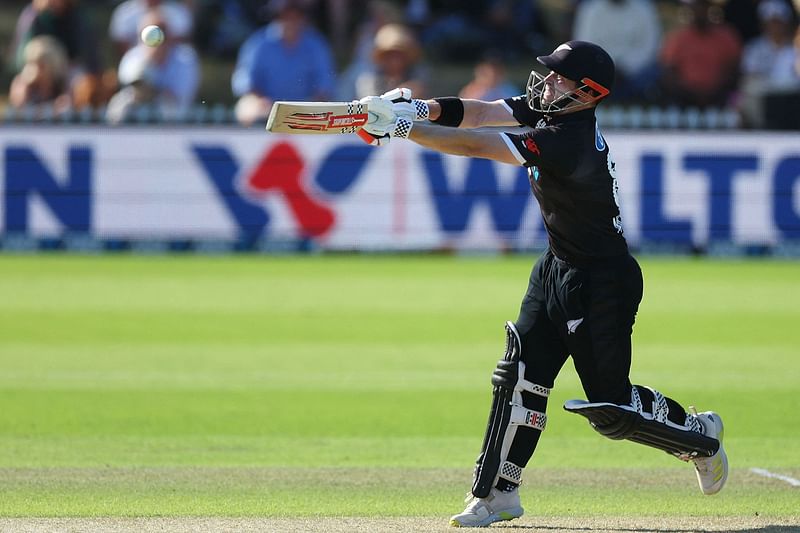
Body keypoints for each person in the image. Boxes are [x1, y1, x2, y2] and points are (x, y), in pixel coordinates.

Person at [357, 41, 729, 527]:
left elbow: (479, 144)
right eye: (549, 74)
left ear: (586, 94)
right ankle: (496, 495)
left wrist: (405, 131)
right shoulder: (552, 108)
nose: (546, 83)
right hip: (556, 266)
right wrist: (414, 108)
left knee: (611, 410)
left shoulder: (568, 140)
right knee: (518, 376)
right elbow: (482, 113)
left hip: (603, 283)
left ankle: (701, 437)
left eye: (559, 78)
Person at [231, 0, 336, 126]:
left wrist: (307, 108)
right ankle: (252, 144)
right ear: (275, 17)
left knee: (326, 109)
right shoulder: (258, 43)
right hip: (266, 108)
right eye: (285, 16)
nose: (290, 21)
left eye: (295, 16)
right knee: (247, 107)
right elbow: (244, 82)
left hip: (307, 110)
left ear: (303, 18)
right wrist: (260, 100)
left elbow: (325, 88)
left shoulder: (316, 45)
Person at [106, 13, 199, 123]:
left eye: (162, 32)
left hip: (173, 116)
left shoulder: (185, 58)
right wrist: (149, 60)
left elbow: (181, 97)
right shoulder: (133, 56)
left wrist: (156, 92)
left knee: (168, 106)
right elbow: (132, 88)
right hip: (137, 110)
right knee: (120, 104)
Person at [660, 0, 742, 108]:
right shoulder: (678, 38)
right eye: (696, 7)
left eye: (703, 7)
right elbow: (668, 72)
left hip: (720, 99)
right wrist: (688, 94)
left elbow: (735, 70)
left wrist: (717, 92)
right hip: (684, 101)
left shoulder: (727, 37)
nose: (700, 11)